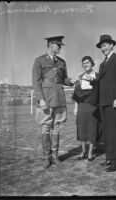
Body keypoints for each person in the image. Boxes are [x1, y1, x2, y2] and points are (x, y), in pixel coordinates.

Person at [32, 36, 75, 169]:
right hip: (46, 98)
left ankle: (55, 156)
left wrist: (71, 80)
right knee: (46, 126)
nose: (60, 47)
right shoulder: (39, 60)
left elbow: (64, 80)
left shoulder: (62, 62)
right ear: (51, 45)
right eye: (58, 45)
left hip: (59, 97)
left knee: (56, 126)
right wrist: (40, 99)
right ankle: (47, 157)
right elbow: (36, 81)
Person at [93, 34, 116, 172]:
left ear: (112, 45)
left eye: (105, 45)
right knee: (106, 133)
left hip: (114, 102)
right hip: (103, 103)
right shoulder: (102, 64)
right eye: (101, 46)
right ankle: (109, 158)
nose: (103, 48)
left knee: (114, 131)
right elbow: (101, 83)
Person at [72, 56, 101, 162]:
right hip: (82, 107)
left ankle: (90, 152)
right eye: (83, 63)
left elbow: (101, 92)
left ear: (92, 63)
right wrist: (76, 108)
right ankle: (83, 151)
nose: (85, 64)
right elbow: (76, 94)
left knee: (92, 129)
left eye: (87, 62)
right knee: (81, 129)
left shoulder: (97, 76)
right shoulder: (80, 77)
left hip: (93, 107)